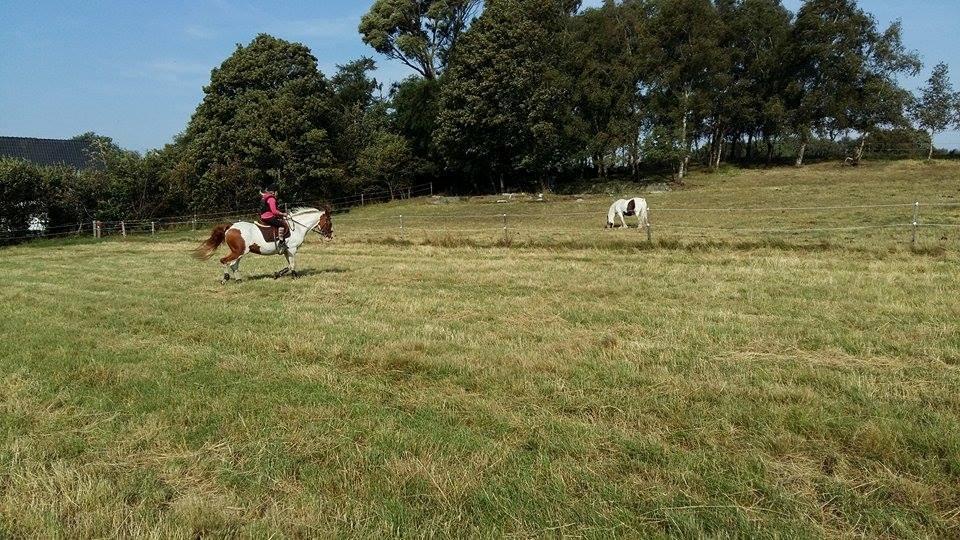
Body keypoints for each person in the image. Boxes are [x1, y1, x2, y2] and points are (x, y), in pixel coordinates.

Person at [259, 186, 288, 251]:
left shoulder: (264, 197)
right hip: (268, 217)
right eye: (276, 192)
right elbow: (274, 211)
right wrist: (283, 214)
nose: (277, 193)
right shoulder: (271, 199)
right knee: (282, 224)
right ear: (273, 192)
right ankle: (281, 242)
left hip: (263, 216)